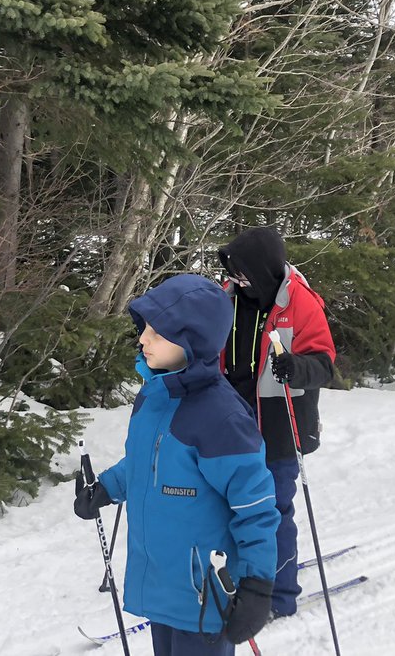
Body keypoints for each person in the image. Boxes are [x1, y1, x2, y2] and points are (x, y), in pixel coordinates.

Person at [73, 274, 280, 656]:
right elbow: (146, 462)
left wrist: (256, 585)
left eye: (156, 332)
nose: (142, 339)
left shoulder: (222, 418)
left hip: (203, 596)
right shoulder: (155, 395)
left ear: (192, 340)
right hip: (161, 586)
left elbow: (256, 509)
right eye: (144, 329)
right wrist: (105, 488)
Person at [216, 227, 336, 619]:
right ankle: (243, 582)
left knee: (274, 511)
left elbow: (324, 363)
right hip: (232, 420)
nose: (237, 281)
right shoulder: (227, 296)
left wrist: (296, 367)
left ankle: (280, 595)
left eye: (243, 274)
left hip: (280, 424)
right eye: (233, 274)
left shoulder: (299, 302)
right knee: (235, 508)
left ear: (263, 271)